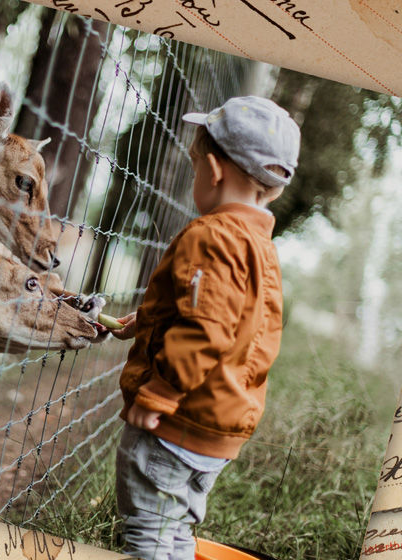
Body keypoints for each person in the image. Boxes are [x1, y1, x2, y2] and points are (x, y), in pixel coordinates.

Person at [108, 95, 300, 559]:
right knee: (176, 534)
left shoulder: (210, 236)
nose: (196, 175)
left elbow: (207, 328)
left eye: (194, 166)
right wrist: (151, 318)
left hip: (176, 422)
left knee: (149, 536)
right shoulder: (260, 247)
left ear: (213, 170)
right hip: (219, 429)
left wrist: (159, 392)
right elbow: (237, 323)